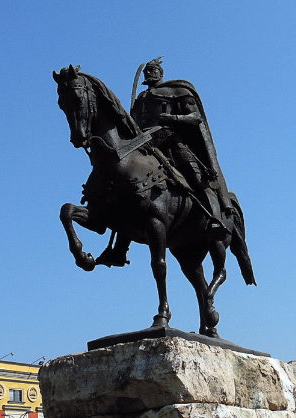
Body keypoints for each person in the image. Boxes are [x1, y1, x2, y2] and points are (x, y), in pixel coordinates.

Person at [98, 57, 232, 268]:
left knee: (197, 179)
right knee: (128, 188)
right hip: (145, 147)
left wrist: (173, 119)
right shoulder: (141, 98)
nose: (149, 74)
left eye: (153, 71)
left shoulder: (177, 91)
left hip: (171, 143)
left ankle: (215, 220)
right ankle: (119, 249)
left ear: (161, 73)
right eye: (147, 71)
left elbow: (196, 117)